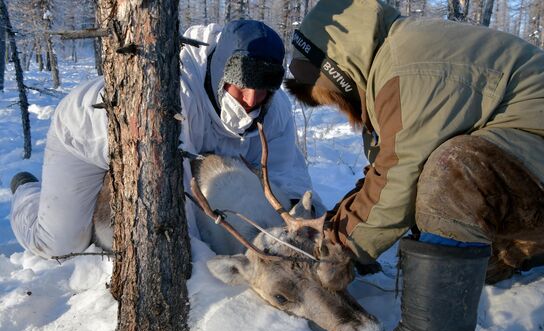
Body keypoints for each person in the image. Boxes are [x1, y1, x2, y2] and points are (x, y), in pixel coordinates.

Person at [284, 1, 544, 331]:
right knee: (459, 273)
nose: (339, 110)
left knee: (453, 171)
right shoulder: (392, 64)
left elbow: (400, 176)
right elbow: (388, 166)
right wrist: (334, 224)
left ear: (340, 72)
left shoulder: (410, 67)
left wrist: (342, 246)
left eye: (332, 98)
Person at [10, 19, 323, 259]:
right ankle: (25, 190)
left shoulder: (274, 108)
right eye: (241, 85)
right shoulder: (173, 95)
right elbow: (171, 199)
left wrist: (313, 230)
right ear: (219, 73)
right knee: (60, 245)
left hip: (153, 151)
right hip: (85, 135)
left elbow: (286, 177)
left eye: (265, 86)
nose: (253, 98)